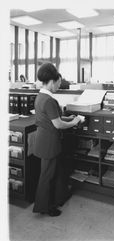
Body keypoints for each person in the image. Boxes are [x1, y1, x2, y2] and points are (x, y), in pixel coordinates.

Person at [33, 62, 81, 217]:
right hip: (49, 143)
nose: (59, 86)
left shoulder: (40, 96)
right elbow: (58, 124)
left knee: (57, 172)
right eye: (58, 83)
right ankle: (44, 207)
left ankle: (60, 197)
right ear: (52, 81)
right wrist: (75, 121)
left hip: (43, 140)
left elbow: (54, 117)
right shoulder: (49, 100)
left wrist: (69, 117)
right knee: (47, 176)